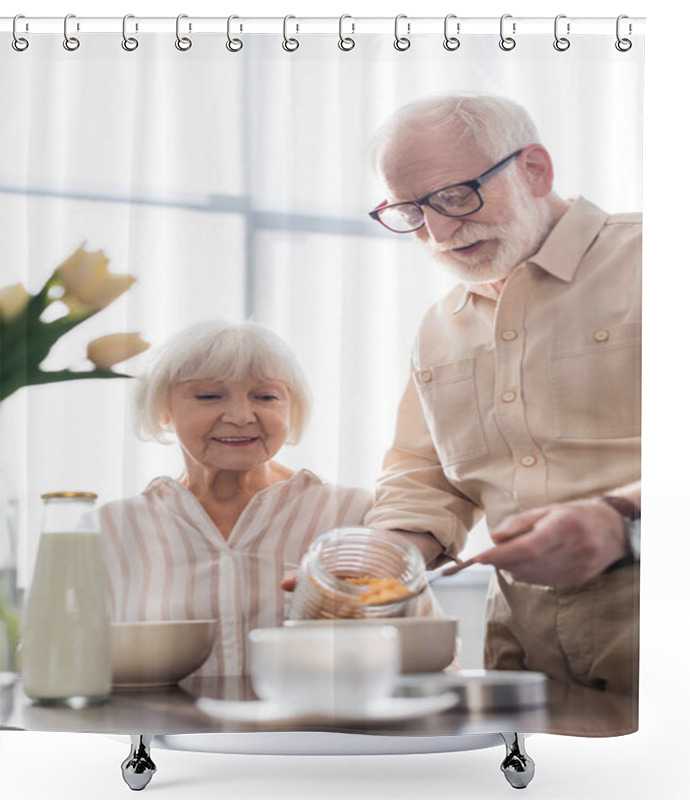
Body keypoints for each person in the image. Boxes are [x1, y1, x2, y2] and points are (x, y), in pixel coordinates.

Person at [363, 94, 641, 694]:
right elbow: (424, 473)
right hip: (523, 662)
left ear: (535, 169)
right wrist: (386, 560)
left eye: (454, 196)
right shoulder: (439, 326)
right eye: (410, 212)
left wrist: (624, 525)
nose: (437, 232)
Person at [100, 321, 373, 677]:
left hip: (321, 733)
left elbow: (428, 654)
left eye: (266, 397)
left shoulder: (354, 514)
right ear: (163, 409)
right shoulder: (113, 527)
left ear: (292, 408)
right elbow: (65, 660)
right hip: (166, 732)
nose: (242, 417)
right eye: (209, 396)